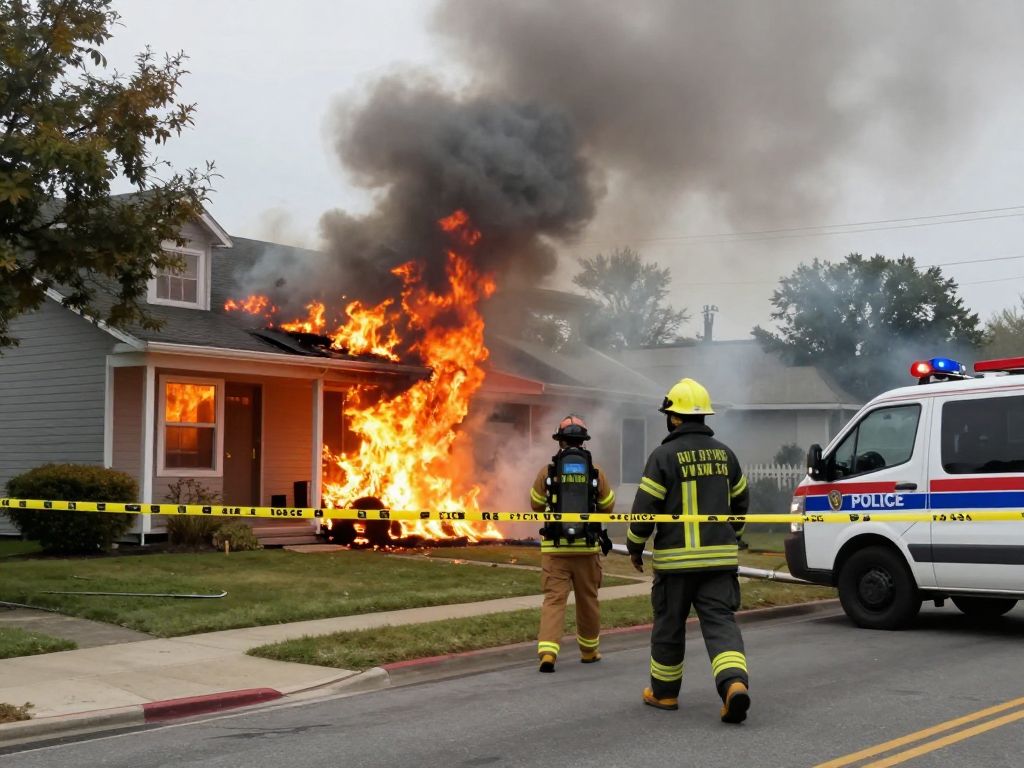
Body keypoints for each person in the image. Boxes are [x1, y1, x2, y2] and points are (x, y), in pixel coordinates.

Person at [625, 378, 752, 723]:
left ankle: (664, 694)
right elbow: (741, 500)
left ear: (675, 418)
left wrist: (635, 546)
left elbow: (645, 507)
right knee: (721, 624)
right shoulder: (726, 454)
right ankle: (733, 686)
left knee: (669, 626)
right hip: (718, 561)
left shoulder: (663, 455)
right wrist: (733, 534)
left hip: (675, 564)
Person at [530, 414, 615, 673]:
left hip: (555, 550)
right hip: (586, 550)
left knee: (554, 600)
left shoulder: (548, 471)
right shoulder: (595, 472)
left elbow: (534, 504)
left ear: (560, 442)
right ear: (583, 442)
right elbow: (607, 506)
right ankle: (589, 652)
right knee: (587, 599)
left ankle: (548, 654)